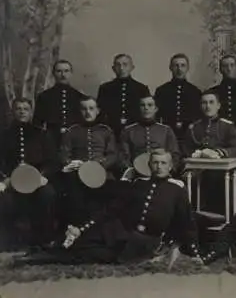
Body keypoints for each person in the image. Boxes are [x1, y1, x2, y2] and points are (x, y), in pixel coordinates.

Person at [20, 150, 203, 265]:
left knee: (87, 255)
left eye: (163, 163)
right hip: (122, 232)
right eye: (155, 162)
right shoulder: (138, 184)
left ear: (170, 166)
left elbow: (187, 222)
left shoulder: (177, 189)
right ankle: (39, 253)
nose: (159, 166)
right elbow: (112, 208)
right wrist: (83, 228)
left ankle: (42, 257)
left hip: (144, 243)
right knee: (82, 241)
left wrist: (194, 253)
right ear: (149, 165)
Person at [0, 98, 58, 248]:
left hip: (36, 180)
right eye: (18, 109)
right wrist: (4, 181)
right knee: (3, 197)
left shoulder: (41, 134)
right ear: (13, 112)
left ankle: (43, 238)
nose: (22, 112)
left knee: (48, 194)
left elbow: (52, 161)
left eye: (25, 109)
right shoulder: (3, 136)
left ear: (31, 112)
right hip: (11, 181)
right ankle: (9, 240)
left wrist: (43, 176)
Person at [59, 96, 118, 228]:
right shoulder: (71, 131)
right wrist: (73, 163)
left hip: (101, 172)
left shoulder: (106, 131)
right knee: (74, 196)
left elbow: (112, 155)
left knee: (112, 195)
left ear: (98, 111)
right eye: (84, 109)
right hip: (77, 173)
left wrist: (98, 165)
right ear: (79, 111)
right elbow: (64, 154)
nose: (88, 112)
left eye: (91, 108)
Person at [183, 90, 236, 214]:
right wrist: (197, 154)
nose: (207, 106)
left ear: (218, 105)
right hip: (198, 171)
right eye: (204, 103)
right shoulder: (194, 127)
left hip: (220, 171)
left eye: (211, 102)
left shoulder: (228, 126)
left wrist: (220, 153)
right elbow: (186, 149)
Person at [119, 95, 180, 176]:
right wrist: (130, 170)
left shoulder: (166, 130)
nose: (146, 108)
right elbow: (123, 157)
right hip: (136, 174)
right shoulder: (128, 131)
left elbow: (174, 154)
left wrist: (168, 171)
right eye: (142, 105)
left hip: (162, 174)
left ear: (156, 109)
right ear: (139, 108)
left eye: (150, 105)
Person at [33, 60, 85, 148]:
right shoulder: (44, 96)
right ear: (53, 73)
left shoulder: (79, 97)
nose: (63, 75)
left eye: (66, 71)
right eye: (59, 71)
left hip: (74, 140)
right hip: (51, 140)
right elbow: (37, 123)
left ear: (71, 73)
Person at [97, 54, 150, 138]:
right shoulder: (105, 89)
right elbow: (100, 114)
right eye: (118, 65)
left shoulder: (141, 89)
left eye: (125, 65)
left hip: (136, 133)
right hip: (112, 133)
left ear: (132, 67)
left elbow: (147, 113)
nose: (121, 68)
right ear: (113, 68)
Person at [154, 53, 202, 143]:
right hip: (167, 135)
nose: (179, 69)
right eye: (176, 66)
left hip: (189, 135)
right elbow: (156, 116)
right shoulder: (161, 91)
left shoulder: (195, 91)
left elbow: (199, 118)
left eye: (183, 66)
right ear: (170, 68)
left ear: (187, 68)